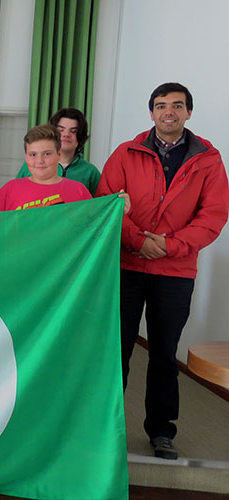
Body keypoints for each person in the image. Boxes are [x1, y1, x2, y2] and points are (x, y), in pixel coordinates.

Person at [96, 82, 229, 460]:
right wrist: (139, 241)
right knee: (116, 350)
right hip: (126, 264)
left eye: (177, 105)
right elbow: (107, 202)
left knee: (165, 354)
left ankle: (161, 430)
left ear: (189, 112)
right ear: (151, 112)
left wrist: (170, 246)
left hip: (175, 272)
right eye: (161, 105)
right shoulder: (126, 152)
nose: (168, 111)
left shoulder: (208, 160)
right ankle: (106, 426)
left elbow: (213, 216)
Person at [0, 125, 93, 212]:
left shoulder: (79, 191)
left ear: (59, 155)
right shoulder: (9, 190)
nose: (40, 161)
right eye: (33, 154)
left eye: (47, 154)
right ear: (26, 157)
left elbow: (92, 226)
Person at [16, 108, 101, 196]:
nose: (66, 134)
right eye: (61, 130)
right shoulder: (32, 166)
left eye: (73, 131)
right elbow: (15, 196)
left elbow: (101, 203)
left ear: (81, 136)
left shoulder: (91, 172)